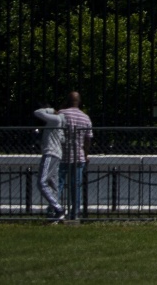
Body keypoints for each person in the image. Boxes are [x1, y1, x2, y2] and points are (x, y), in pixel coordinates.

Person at [57, 91, 92, 222]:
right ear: (79, 101)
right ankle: (75, 213)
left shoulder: (61, 114)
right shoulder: (85, 117)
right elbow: (88, 139)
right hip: (78, 156)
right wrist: (85, 153)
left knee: (58, 184)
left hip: (62, 154)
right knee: (75, 186)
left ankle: (56, 211)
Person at [32, 102, 67, 221]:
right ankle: (54, 214)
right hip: (57, 154)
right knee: (53, 185)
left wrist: (50, 110)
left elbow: (37, 113)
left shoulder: (55, 119)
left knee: (42, 182)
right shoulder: (60, 122)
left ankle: (58, 208)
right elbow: (62, 139)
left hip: (50, 153)